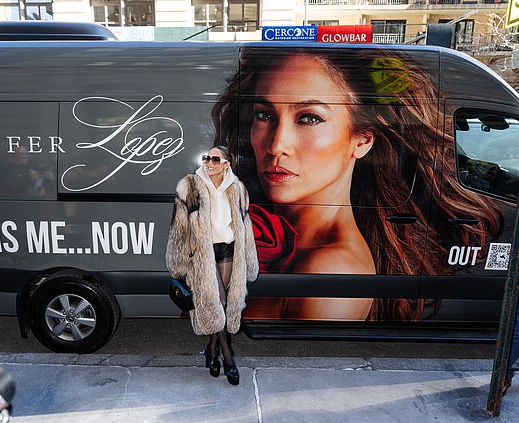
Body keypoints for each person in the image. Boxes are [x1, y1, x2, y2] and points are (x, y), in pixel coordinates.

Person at [211, 47, 503, 322]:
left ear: (361, 140)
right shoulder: (282, 239)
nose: (277, 145)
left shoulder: (328, 270)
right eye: (265, 115)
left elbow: (301, 370)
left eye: (309, 118)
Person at [166, 145, 258, 385]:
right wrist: (179, 261)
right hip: (203, 253)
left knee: (224, 305)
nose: (209, 162)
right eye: (207, 158)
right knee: (220, 303)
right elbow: (179, 227)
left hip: (228, 249)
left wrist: (249, 258)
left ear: (226, 164)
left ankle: (211, 349)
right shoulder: (191, 186)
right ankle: (228, 358)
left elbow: (245, 225)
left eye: (215, 159)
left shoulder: (238, 189)